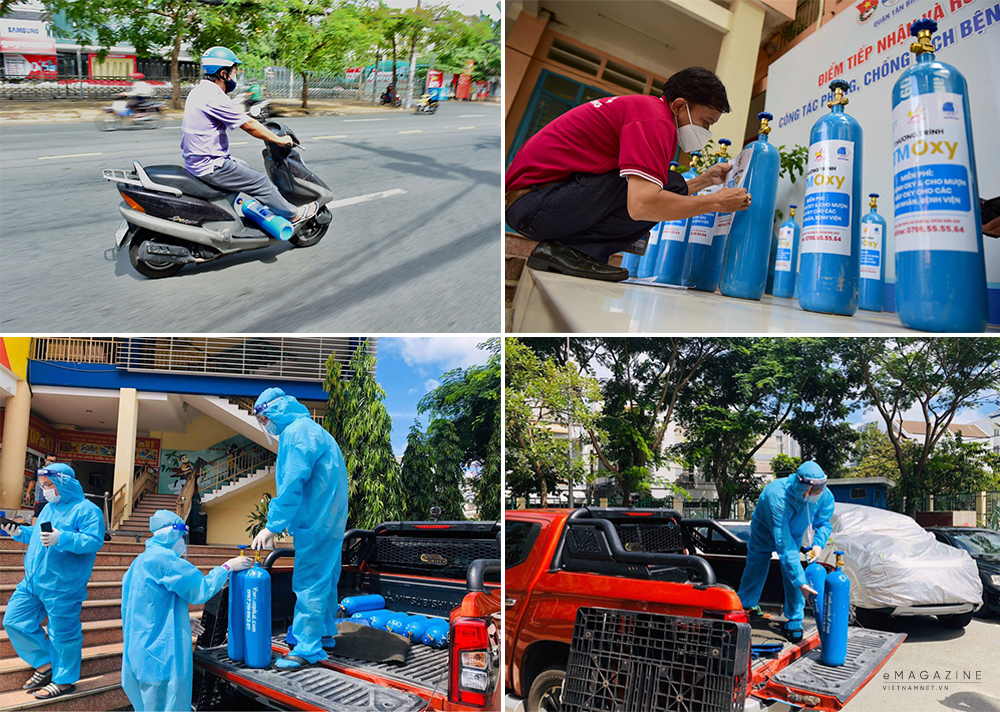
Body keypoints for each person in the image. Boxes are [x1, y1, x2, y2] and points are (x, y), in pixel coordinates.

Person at [505, 66, 751, 281]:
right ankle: (573, 252)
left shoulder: (647, 111)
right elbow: (642, 204)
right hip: (533, 207)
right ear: (679, 105)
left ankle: (569, 251)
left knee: (668, 183)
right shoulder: (655, 121)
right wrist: (716, 202)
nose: (706, 130)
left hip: (535, 203)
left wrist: (705, 180)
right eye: (705, 121)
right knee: (657, 189)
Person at [250, 387, 349, 670]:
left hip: (314, 520)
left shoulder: (295, 434)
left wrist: (272, 526)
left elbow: (292, 484)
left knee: (309, 581)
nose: (265, 424)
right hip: (330, 520)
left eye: (263, 417)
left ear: (272, 410)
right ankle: (325, 633)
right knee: (327, 578)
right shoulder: (316, 430)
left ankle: (307, 646)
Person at [121, 510, 252, 712]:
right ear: (173, 534)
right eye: (182, 536)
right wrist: (226, 567)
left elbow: (141, 606)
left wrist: (180, 619)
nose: (183, 542)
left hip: (138, 653)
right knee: (167, 703)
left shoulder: (139, 562)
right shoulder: (167, 561)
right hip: (161, 657)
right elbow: (200, 589)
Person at [0, 464, 105, 700]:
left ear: (64, 483)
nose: (45, 490)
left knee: (63, 633)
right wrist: (19, 533)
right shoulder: (48, 508)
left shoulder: (87, 510)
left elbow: (93, 541)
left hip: (63, 585)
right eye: (43, 486)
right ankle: (45, 662)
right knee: (14, 620)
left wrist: (63, 537)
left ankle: (64, 680)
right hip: (32, 581)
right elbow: (38, 534)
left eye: (49, 485)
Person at [181, 46, 318, 226]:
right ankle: (292, 214)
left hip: (196, 159)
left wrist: (250, 119)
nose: (235, 76)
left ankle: (255, 208)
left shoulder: (199, 91)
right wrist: (279, 139)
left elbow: (238, 118)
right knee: (261, 182)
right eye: (234, 71)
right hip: (210, 164)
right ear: (223, 73)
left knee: (243, 165)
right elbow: (249, 126)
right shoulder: (214, 96)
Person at [737, 461, 835, 642]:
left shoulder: (824, 495)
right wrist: (801, 581)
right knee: (756, 569)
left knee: (792, 574)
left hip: (795, 533)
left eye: (820, 489)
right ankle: (744, 607)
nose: (816, 494)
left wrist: (818, 544)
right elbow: (784, 543)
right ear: (801, 485)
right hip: (765, 531)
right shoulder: (778, 495)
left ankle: (795, 618)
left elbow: (824, 522)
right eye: (813, 490)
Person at [29, 453, 57, 524]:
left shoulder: (55, 471)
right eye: (49, 460)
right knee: (37, 514)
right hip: (40, 497)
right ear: (45, 459)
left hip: (52, 498)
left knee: (51, 515)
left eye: (53, 461)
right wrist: (28, 492)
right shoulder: (39, 470)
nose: (51, 462)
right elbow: (33, 481)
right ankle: (33, 530)